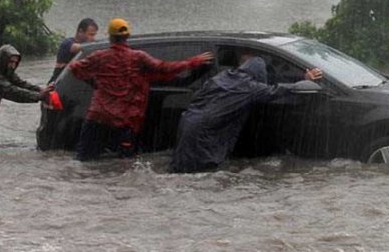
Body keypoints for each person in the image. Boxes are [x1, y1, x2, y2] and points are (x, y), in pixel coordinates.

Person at [68, 18, 213, 161]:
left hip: (98, 117)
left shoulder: (99, 56)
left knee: (83, 160)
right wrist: (192, 62)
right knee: (126, 164)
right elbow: (165, 68)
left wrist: (96, 84)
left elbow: (74, 67)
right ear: (128, 37)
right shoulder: (138, 57)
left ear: (110, 37)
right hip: (124, 121)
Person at [171, 52, 323, 173]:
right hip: (206, 132)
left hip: (188, 121)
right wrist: (304, 80)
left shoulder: (222, 76)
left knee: (183, 167)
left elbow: (199, 96)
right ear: (259, 73)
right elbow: (277, 90)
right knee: (202, 172)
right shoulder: (249, 87)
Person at [0, 45, 53, 137]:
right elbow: (11, 91)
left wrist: (41, 90)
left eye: (15, 63)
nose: (13, 66)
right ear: (3, 60)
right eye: (11, 62)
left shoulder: (4, 70)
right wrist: (39, 96)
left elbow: (21, 83)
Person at [49, 18, 98, 83]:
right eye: (91, 35)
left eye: (94, 35)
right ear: (80, 32)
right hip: (57, 85)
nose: (93, 38)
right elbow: (75, 48)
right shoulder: (67, 43)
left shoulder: (87, 46)